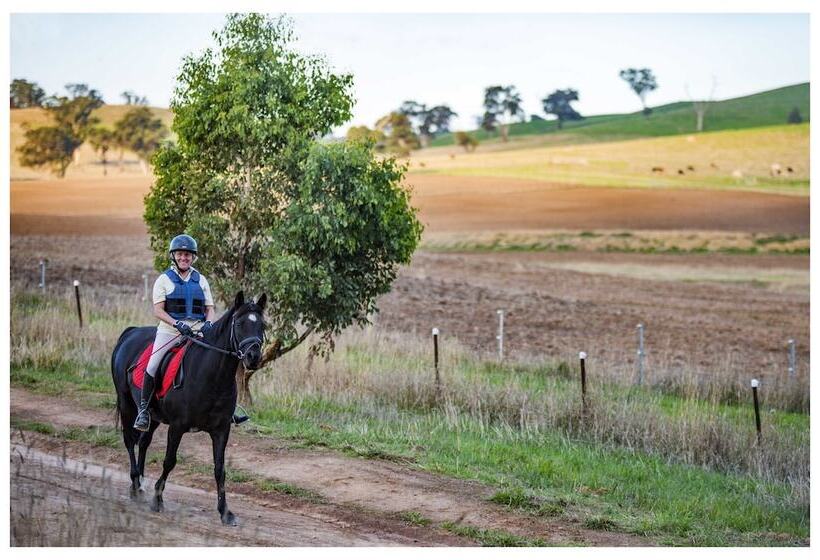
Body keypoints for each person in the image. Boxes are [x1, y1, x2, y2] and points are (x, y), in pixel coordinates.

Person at [133, 234, 248, 431]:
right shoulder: (164, 280)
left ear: (192, 257)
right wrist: (177, 323)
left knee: (217, 363)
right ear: (174, 256)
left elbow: (209, 308)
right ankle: (144, 410)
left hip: (198, 331)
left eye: (187, 255)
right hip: (170, 331)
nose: (184, 258)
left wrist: (208, 324)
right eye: (180, 254)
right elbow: (158, 310)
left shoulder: (201, 280)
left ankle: (227, 410)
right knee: (152, 365)